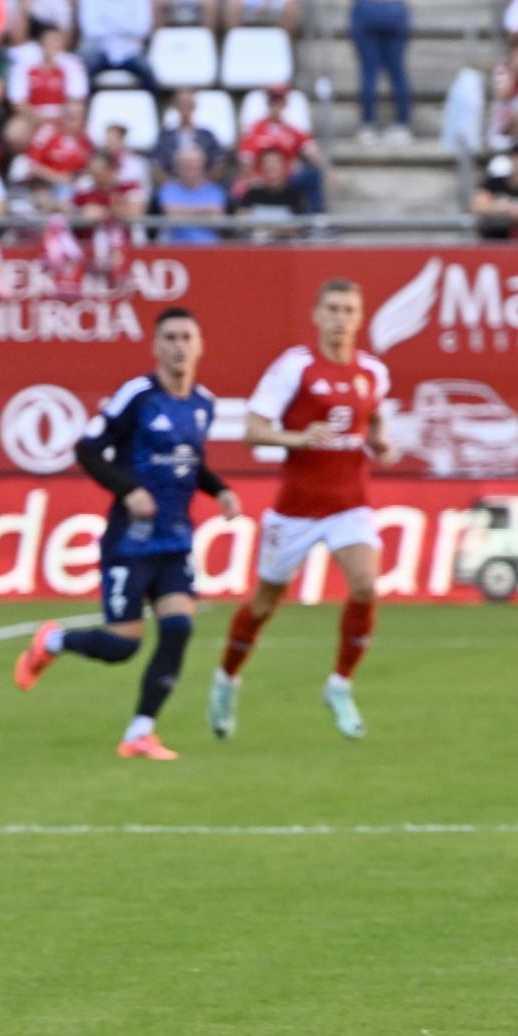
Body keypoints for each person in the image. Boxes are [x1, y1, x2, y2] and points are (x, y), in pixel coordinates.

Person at [14, 309, 239, 760]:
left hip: (175, 541)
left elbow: (188, 462)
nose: (179, 346)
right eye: (170, 337)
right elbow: (88, 449)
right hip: (131, 542)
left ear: (199, 346)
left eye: (186, 337)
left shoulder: (203, 403)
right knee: (122, 646)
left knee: (178, 627)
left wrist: (221, 491)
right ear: (156, 346)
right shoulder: (137, 396)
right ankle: (53, 641)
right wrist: (129, 489)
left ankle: (140, 731)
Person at [208, 279, 396, 742]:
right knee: (264, 603)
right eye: (332, 309)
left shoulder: (372, 372)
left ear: (360, 318)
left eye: (349, 310)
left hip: (349, 504)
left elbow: (372, 417)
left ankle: (339, 684)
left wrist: (380, 441)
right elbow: (252, 430)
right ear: (316, 315)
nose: (340, 319)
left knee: (366, 586)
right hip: (295, 511)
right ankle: (227, 679)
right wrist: (297, 438)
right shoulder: (296, 368)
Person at [339, 0, 412, 144]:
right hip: (395, 5)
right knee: (397, 72)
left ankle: (368, 125)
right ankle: (402, 124)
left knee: (368, 72)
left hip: (367, 5)